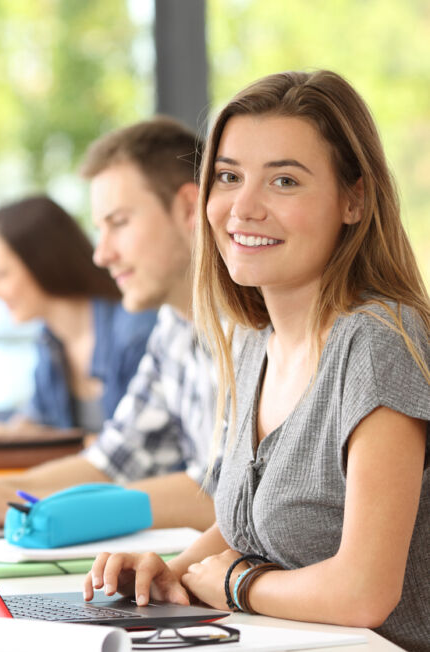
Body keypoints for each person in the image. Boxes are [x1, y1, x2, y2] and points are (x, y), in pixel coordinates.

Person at [84, 71, 430, 651]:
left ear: (355, 199)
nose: (243, 207)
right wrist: (171, 571)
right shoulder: (252, 341)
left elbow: (365, 592)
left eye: (285, 181)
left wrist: (238, 583)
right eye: (228, 177)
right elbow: (253, 520)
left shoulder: (380, 342)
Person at [0, 117, 218, 531]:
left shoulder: (254, 328)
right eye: (99, 229)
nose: (101, 255)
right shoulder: (173, 329)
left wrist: (32, 503)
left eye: (118, 223)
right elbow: (111, 461)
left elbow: (226, 496)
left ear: (189, 209)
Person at [0, 195, 157, 449]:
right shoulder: (50, 342)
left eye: (1, 274)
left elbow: (135, 451)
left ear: (42, 263)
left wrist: (49, 443)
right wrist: (0, 436)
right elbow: (39, 422)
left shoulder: (136, 332)